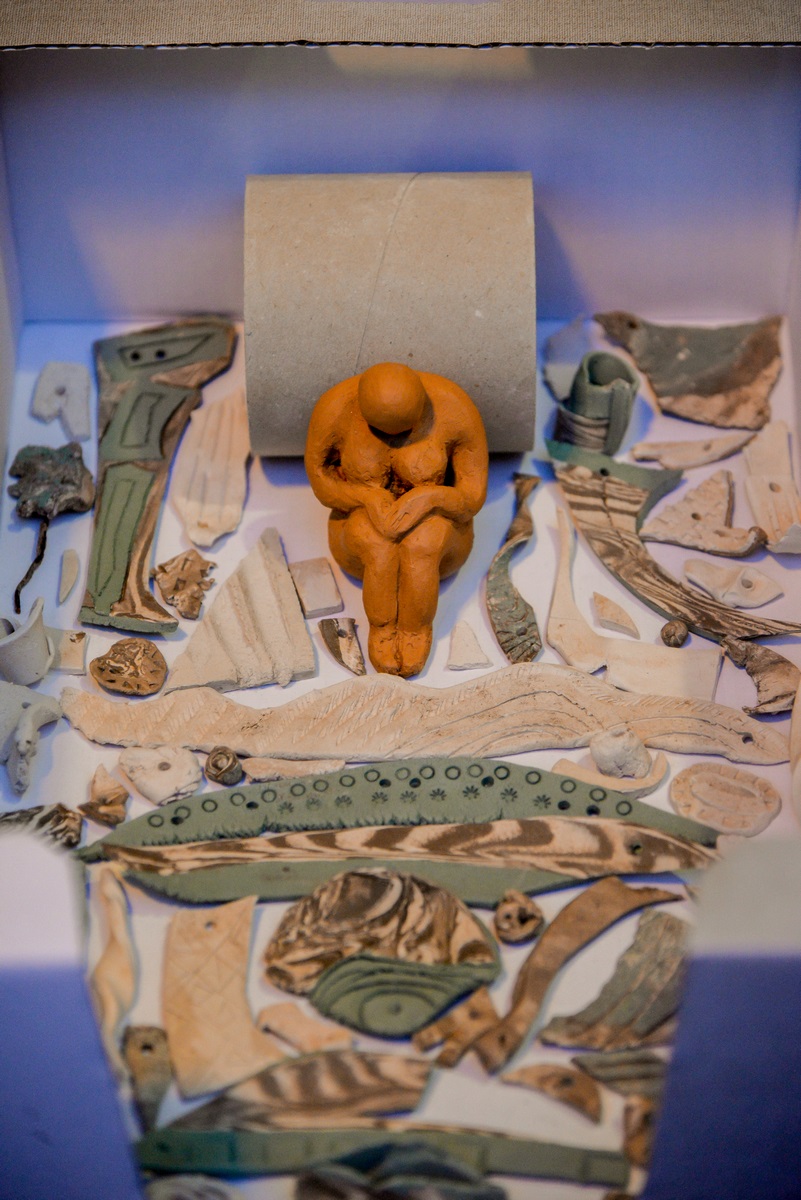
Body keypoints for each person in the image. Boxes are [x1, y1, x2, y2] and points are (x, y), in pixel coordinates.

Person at [305, 361, 489, 677]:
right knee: (374, 542)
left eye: (408, 430)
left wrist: (430, 497)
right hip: (357, 528)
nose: (394, 440)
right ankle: (383, 628)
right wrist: (364, 497)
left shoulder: (454, 407)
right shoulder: (334, 408)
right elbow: (321, 480)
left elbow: (472, 496)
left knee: (425, 541)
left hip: (441, 532)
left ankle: (415, 630)